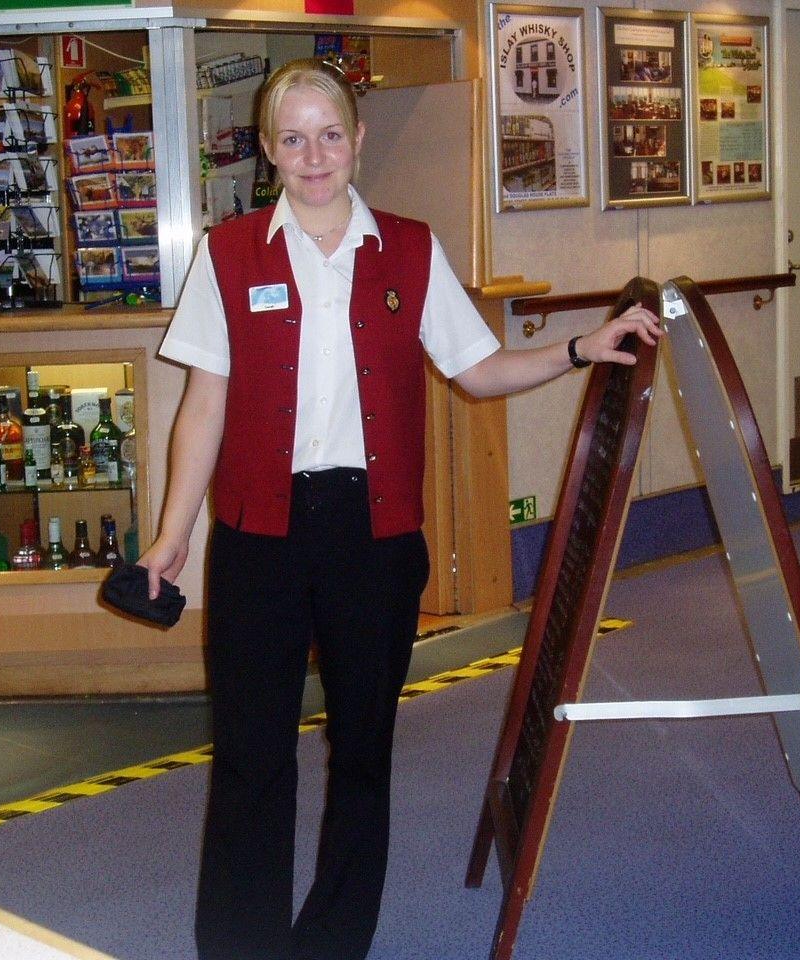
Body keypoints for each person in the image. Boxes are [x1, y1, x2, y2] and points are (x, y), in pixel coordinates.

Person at [142, 58, 662, 960]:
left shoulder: (410, 251)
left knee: (363, 751)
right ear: (268, 150)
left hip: (373, 536)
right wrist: (172, 533)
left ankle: (335, 940)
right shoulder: (228, 254)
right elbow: (205, 404)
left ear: (359, 141)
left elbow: (476, 368)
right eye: (294, 138)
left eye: (331, 134)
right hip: (259, 534)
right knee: (251, 754)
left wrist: (583, 346)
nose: (314, 156)